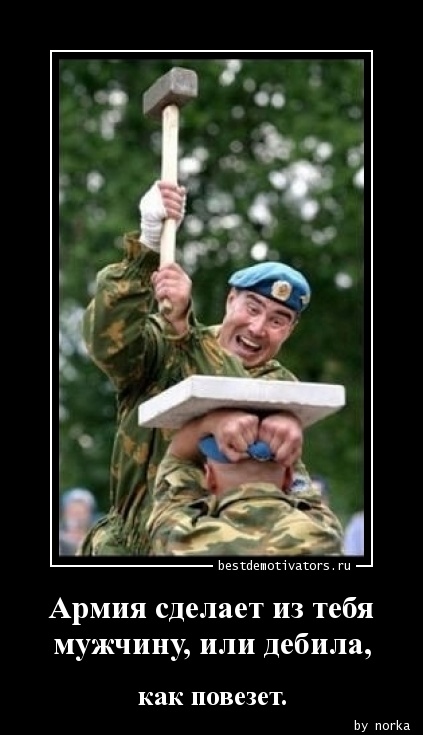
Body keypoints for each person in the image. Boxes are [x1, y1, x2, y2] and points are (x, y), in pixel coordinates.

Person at [79, 180, 316, 556]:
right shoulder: (164, 345)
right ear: (230, 300)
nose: (258, 328)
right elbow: (107, 342)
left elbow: (238, 399)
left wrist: (184, 332)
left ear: (290, 330)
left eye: (277, 320)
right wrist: (148, 248)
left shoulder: (279, 387)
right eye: (252, 308)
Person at [146, 409, 344, 556]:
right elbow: (304, 489)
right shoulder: (323, 534)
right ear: (288, 478)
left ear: (210, 478)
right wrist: (289, 422)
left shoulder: (181, 540)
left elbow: (177, 460)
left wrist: (208, 423)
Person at [59, 488, 98, 555]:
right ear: (65, 513)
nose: (77, 518)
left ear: (89, 514)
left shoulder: (97, 537)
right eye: (72, 512)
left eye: (80, 513)